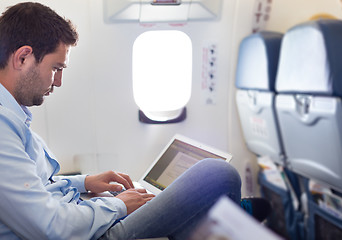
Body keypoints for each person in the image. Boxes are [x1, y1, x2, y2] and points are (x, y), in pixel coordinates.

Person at [0, 2, 269, 240]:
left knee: (195, 191)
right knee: (217, 174)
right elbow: (50, 227)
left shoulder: (12, 115)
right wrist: (119, 206)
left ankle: (208, 212)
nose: (58, 81)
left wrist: (85, 182)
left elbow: (39, 187)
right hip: (83, 232)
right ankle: (217, 210)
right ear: (23, 57)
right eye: (56, 68)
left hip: (77, 211)